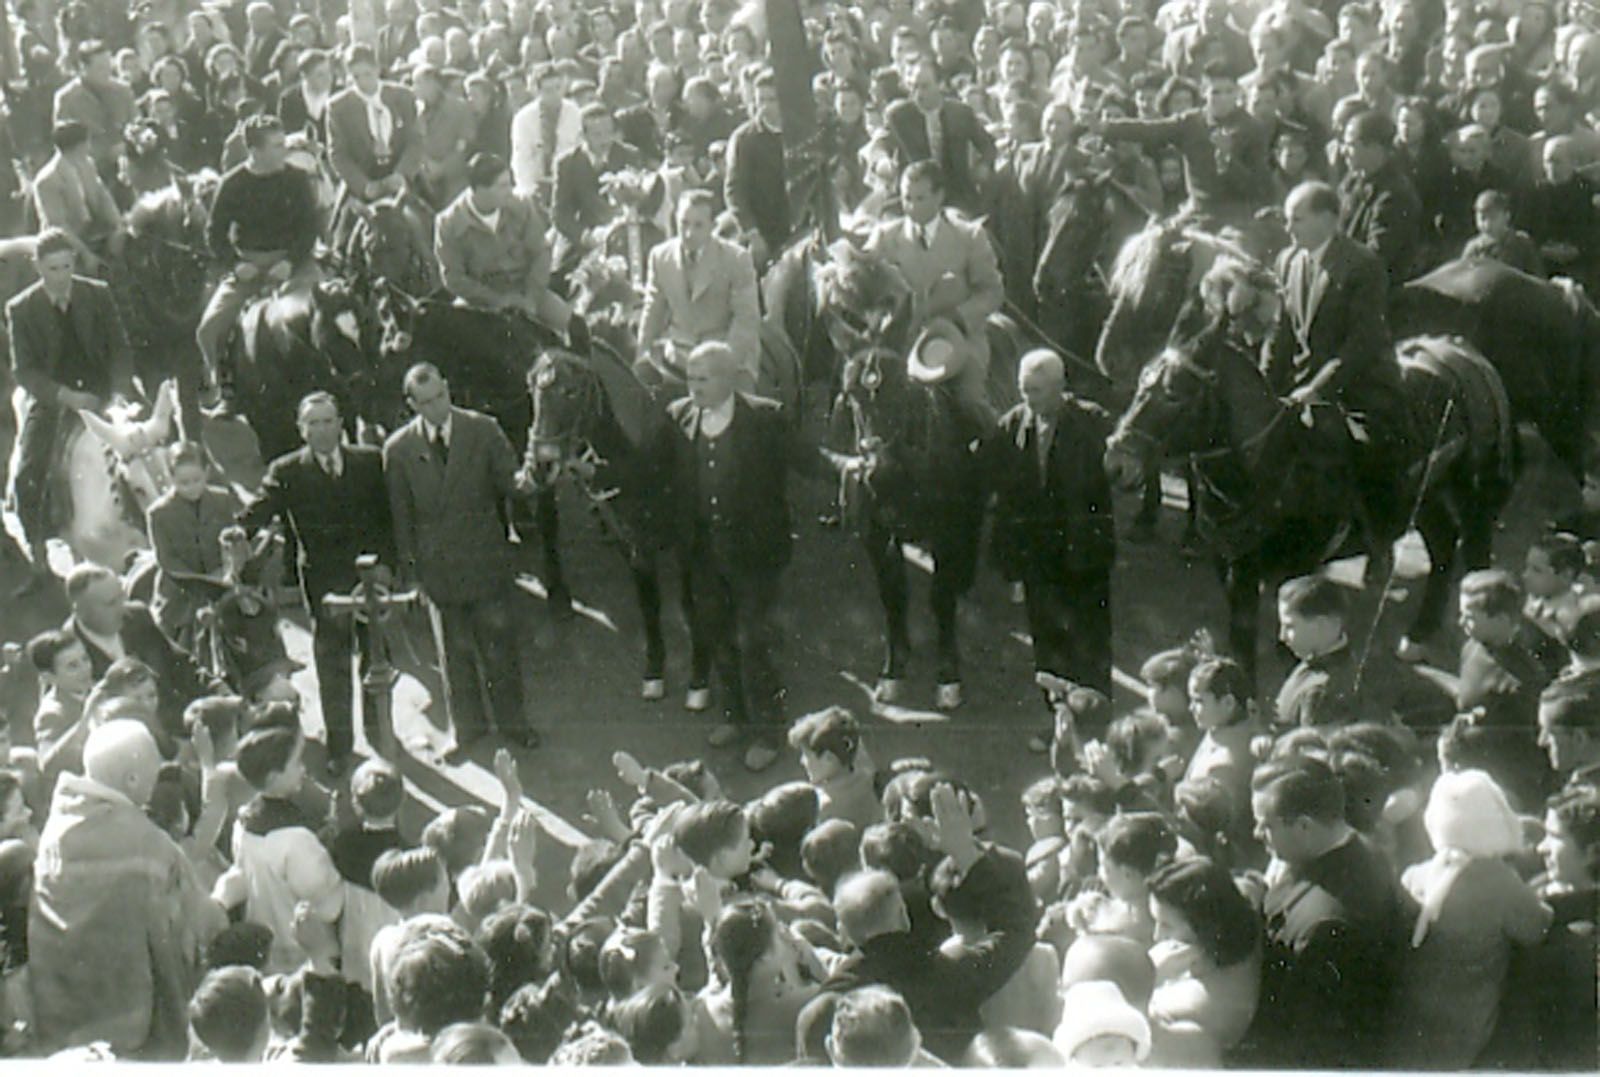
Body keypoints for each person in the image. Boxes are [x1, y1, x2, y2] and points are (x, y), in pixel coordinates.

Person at [29, 721, 217, 1058]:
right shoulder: (148, 843)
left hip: (59, 1021)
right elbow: (193, 931)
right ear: (131, 780)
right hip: (130, 1030)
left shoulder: (54, 832)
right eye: (153, 775)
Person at [647, 342, 793, 772]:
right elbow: (648, 469)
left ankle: (769, 731)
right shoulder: (678, 418)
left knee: (753, 642)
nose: (693, 387)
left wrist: (844, 466)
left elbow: (805, 456)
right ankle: (735, 716)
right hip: (703, 555)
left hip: (754, 556)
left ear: (728, 378)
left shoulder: (765, 417)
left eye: (703, 379)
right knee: (717, 638)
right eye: (690, 378)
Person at [383, 362, 537, 760]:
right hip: (440, 570)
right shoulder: (399, 450)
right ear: (412, 404)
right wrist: (412, 576)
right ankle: (466, 730)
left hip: (485, 559)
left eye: (441, 396)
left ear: (448, 388)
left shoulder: (482, 429)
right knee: (453, 654)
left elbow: (512, 483)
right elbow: (402, 518)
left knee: (499, 646)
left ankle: (514, 723)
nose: (437, 407)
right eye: (426, 402)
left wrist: (533, 474)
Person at [239, 391, 397, 774]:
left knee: (376, 656)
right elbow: (256, 512)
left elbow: (389, 518)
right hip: (325, 585)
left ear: (341, 424)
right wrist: (234, 532)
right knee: (333, 663)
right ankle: (341, 748)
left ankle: (381, 737)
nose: (322, 430)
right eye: (313, 423)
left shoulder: (370, 461)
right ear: (301, 430)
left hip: (371, 581)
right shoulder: (287, 471)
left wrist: (387, 568)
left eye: (329, 421)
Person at [1267, 180, 1412, 540]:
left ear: (1329, 220)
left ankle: (1380, 541)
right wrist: (1265, 382)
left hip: (1359, 384)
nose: (1288, 229)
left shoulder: (1363, 265)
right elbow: (1282, 332)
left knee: (1369, 454)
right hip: (1302, 383)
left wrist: (1318, 389)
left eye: (1296, 220)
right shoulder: (1287, 260)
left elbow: (1363, 342)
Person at [1243, 755, 1404, 1068]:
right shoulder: (1349, 853)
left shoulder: (1328, 926)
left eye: (1265, 825)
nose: (1255, 833)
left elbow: (1310, 1045)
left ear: (1304, 826)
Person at [981, 349, 1115, 719]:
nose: (1028, 399)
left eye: (1036, 391)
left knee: (1090, 638)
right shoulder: (1014, 424)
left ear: (1059, 387)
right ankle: (1058, 718)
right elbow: (987, 468)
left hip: (1084, 551)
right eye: (1024, 390)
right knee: (1048, 640)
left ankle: (1096, 716)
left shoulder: (1093, 422)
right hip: (1038, 555)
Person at [6, 227, 130, 578]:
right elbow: (25, 371)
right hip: (55, 400)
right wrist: (66, 396)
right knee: (28, 474)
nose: (61, 276)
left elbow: (120, 347)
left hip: (101, 392)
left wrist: (120, 391)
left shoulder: (98, 295)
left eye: (66, 266)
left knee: (148, 447)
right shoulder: (21, 309)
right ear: (39, 268)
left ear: (74, 262)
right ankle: (39, 555)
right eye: (52, 269)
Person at [866, 161, 1006, 425]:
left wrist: (959, 317)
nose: (911, 206)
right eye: (907, 197)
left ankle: (995, 449)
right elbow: (866, 284)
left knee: (969, 400)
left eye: (920, 198)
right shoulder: (885, 237)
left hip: (956, 339)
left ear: (940, 196)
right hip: (900, 341)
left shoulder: (969, 236)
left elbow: (992, 291)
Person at [196, 114, 321, 395]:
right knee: (209, 329)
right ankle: (225, 388)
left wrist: (290, 262)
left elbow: (310, 227)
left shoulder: (297, 179)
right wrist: (236, 265)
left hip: (295, 264)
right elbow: (214, 233)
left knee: (329, 313)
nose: (284, 151)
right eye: (277, 146)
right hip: (248, 266)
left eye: (283, 143)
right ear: (255, 151)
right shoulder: (232, 183)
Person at [434, 151, 580, 348]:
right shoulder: (448, 223)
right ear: (479, 190)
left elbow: (541, 252)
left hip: (526, 290)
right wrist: (497, 301)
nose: (510, 191)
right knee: (455, 346)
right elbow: (453, 277)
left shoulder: (521, 206)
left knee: (574, 327)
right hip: (479, 302)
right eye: (502, 186)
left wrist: (531, 298)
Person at [63, 563, 221, 745]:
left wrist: (218, 690)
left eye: (121, 596)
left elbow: (180, 664)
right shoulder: (67, 654)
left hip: (180, 726)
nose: (122, 608)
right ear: (80, 610)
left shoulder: (137, 616)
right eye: (110, 603)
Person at [637, 189, 761, 387]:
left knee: (738, 408)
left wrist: (723, 363)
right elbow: (653, 309)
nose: (688, 233)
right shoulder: (660, 257)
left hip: (725, 356)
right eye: (683, 223)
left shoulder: (736, 259)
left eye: (698, 226)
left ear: (712, 226)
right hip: (678, 356)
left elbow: (746, 318)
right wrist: (641, 355)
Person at [147, 441, 239, 642]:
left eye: (197, 480)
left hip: (222, 580)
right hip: (181, 589)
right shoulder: (159, 513)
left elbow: (231, 539)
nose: (192, 488)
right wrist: (201, 582)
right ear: (171, 479)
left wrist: (226, 569)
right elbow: (166, 559)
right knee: (173, 640)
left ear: (206, 472)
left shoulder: (222, 499)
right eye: (183, 483)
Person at [884, 58, 996, 216]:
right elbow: (880, 144)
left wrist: (984, 165)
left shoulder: (960, 113)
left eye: (925, 87)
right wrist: (881, 161)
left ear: (940, 84)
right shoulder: (899, 116)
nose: (919, 94)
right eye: (914, 87)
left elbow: (988, 146)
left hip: (956, 193)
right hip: (912, 194)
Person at [327, 43, 423, 218]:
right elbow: (338, 153)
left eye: (367, 74)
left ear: (377, 69)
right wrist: (364, 186)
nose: (363, 82)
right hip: (364, 183)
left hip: (401, 179)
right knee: (342, 235)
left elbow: (416, 140)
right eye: (356, 76)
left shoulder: (403, 96)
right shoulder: (338, 107)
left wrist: (402, 174)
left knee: (426, 224)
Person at [1337, 109, 1423, 293]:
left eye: (1351, 144)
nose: (1343, 151)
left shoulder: (1395, 195)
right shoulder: (1352, 180)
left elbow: (1375, 257)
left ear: (1375, 148)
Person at [30, 121, 124, 273]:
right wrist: (86, 254)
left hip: (94, 231)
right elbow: (58, 225)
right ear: (79, 145)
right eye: (88, 141)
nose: (90, 145)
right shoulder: (47, 180)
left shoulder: (87, 164)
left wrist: (118, 226)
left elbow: (102, 196)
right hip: (66, 243)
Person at [723, 69, 791, 268]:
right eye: (761, 100)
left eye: (772, 99)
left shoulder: (799, 132)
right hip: (762, 228)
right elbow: (734, 191)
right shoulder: (745, 139)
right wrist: (752, 233)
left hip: (797, 225)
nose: (766, 106)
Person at [52, 39, 136, 183]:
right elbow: (64, 143)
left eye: (109, 66)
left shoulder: (123, 91)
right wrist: (103, 153)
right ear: (83, 68)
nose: (107, 72)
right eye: (100, 68)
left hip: (126, 166)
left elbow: (136, 124)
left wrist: (127, 146)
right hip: (88, 172)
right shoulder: (68, 98)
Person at [510, 63, 581, 200]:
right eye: (548, 91)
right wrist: (531, 191)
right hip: (534, 186)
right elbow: (521, 159)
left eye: (558, 88)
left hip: (569, 185)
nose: (555, 95)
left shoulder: (575, 114)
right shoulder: (523, 119)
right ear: (537, 92)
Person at [1463, 188, 1545, 275]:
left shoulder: (1521, 243)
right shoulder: (1474, 249)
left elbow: (1537, 278)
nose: (1487, 224)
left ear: (1507, 216)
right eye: (1482, 219)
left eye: (1493, 218)